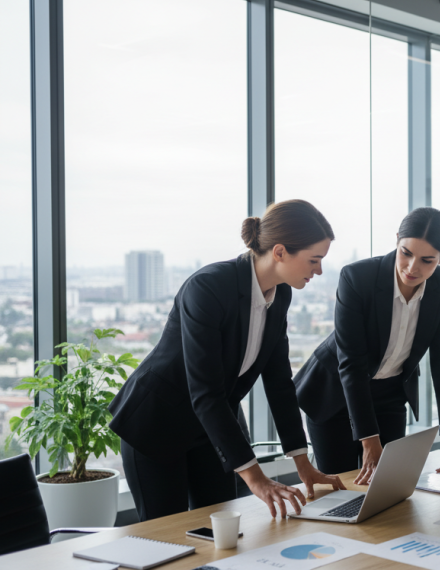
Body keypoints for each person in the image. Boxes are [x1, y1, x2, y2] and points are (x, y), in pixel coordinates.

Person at [109, 200, 344, 521]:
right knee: (168, 536)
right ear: (279, 252)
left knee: (220, 527)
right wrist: (257, 479)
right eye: (314, 260)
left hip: (212, 428)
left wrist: (303, 462)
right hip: (158, 423)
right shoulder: (207, 287)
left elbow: (278, 383)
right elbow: (204, 390)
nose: (318, 270)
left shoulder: (281, 295)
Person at [293, 207, 440, 484]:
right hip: (336, 392)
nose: (412, 268)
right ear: (397, 239)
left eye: (427, 260)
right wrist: (368, 439)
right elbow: (350, 363)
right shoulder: (358, 277)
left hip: (389, 392)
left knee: (390, 486)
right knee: (339, 487)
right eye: (406, 253)